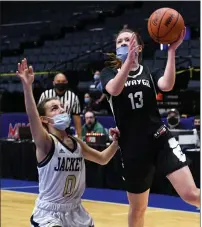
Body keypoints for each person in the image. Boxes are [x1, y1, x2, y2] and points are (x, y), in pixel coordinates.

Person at [100, 27, 200, 227]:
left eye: (128, 40)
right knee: (138, 209)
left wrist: (171, 52)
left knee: (191, 194)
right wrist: (126, 64)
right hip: (132, 147)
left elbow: (167, 85)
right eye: (119, 42)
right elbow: (114, 89)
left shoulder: (148, 71)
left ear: (138, 46)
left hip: (159, 139)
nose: (123, 44)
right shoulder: (109, 73)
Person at [16, 58, 119, 227]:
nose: (61, 109)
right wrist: (27, 87)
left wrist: (116, 142)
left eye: (61, 106)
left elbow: (103, 159)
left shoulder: (77, 143)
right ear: (44, 119)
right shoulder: (46, 143)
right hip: (49, 213)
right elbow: (32, 116)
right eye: (54, 108)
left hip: (76, 211)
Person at [38, 72, 82, 138]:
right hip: (48, 129)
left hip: (66, 130)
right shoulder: (45, 94)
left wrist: (80, 136)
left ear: (67, 82)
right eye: (58, 81)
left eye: (63, 81)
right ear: (53, 82)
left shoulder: (73, 96)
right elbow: (39, 115)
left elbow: (77, 118)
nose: (61, 83)